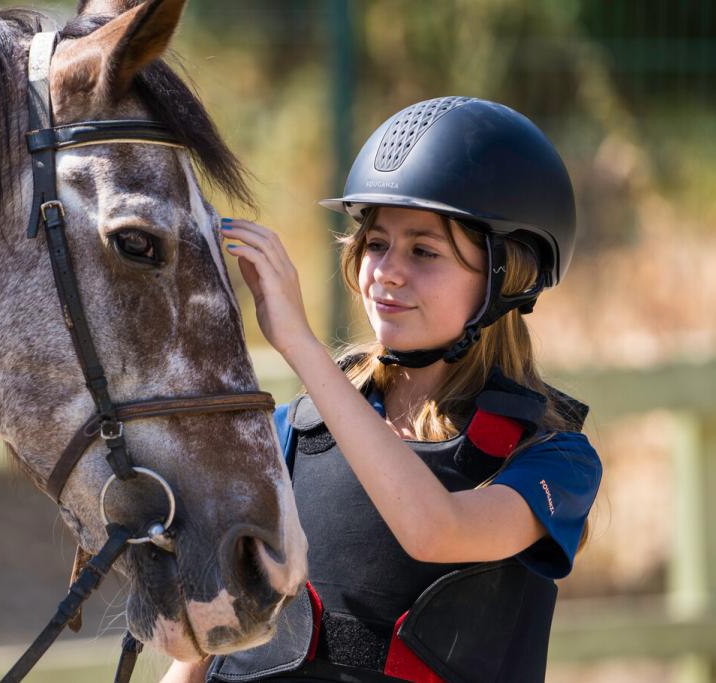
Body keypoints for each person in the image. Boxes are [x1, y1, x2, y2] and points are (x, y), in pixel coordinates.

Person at [162, 96, 602, 683]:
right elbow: (196, 658)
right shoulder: (293, 431)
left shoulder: (554, 460)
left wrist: (301, 345)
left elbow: (434, 530)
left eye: (424, 251)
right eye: (375, 244)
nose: (387, 271)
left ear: (508, 276)